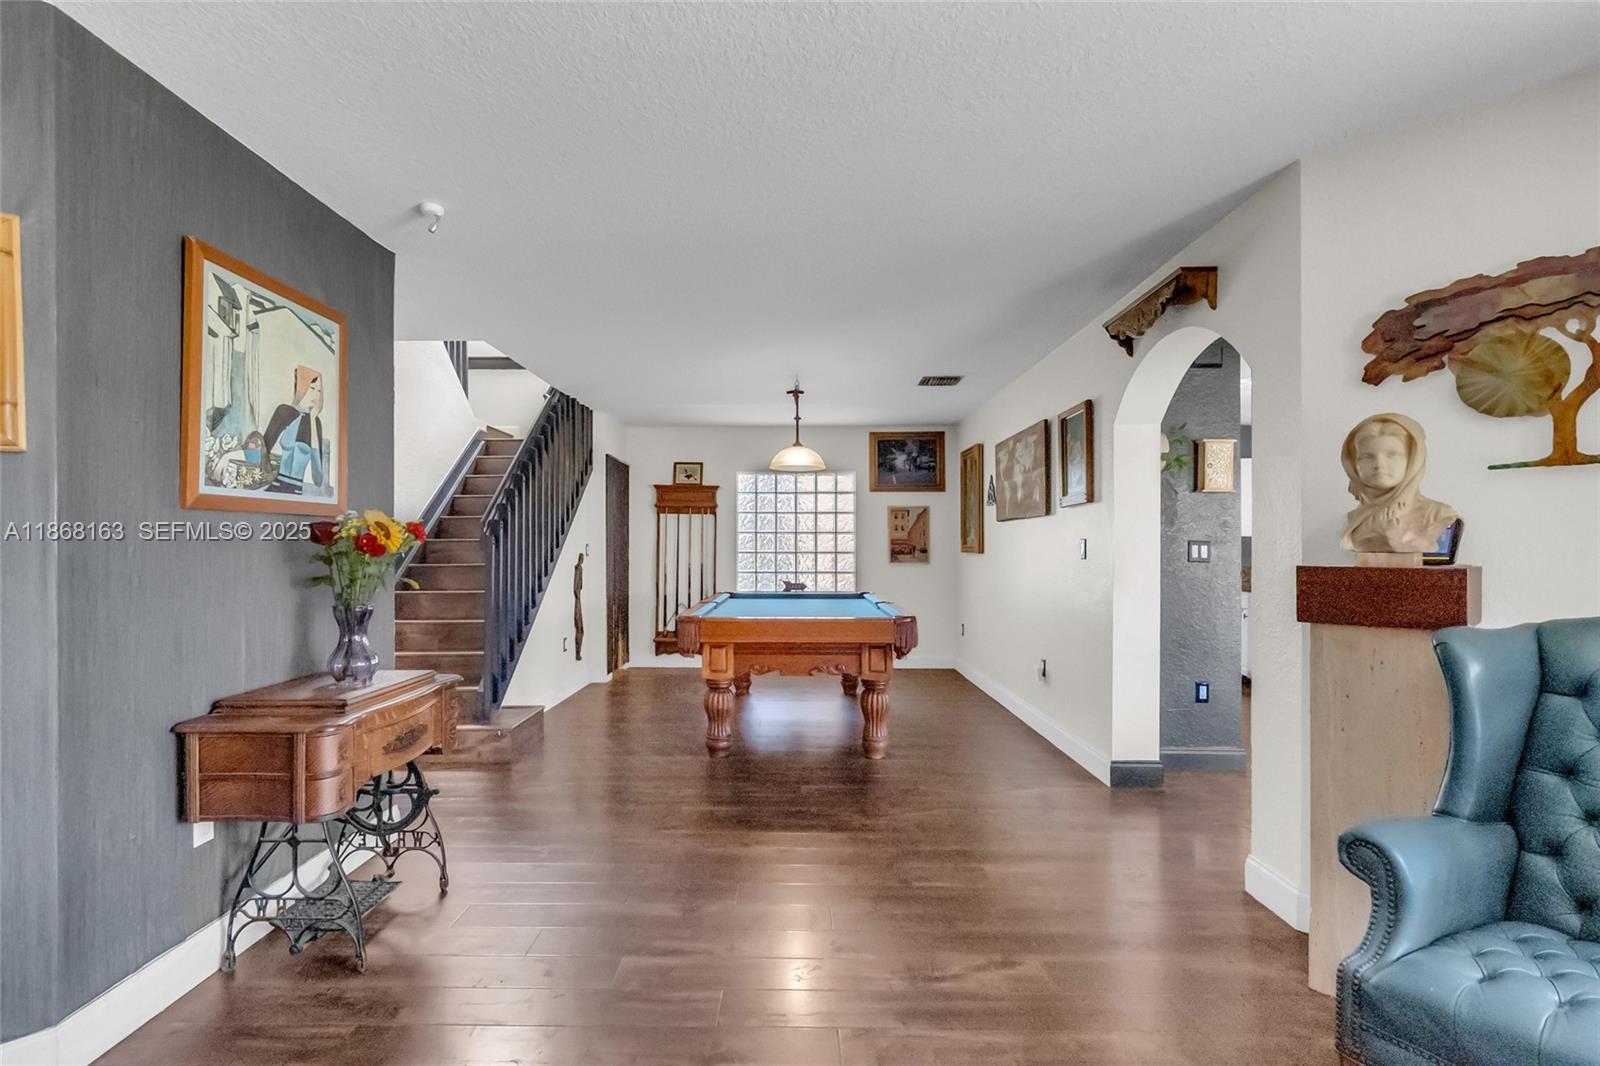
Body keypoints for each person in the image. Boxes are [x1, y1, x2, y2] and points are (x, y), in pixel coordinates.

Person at [1340, 413, 1458, 554]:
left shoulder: (1437, 514)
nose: (1379, 465)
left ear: (1413, 460)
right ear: (1353, 464)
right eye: (1367, 457)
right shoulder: (1355, 518)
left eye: (1392, 455)